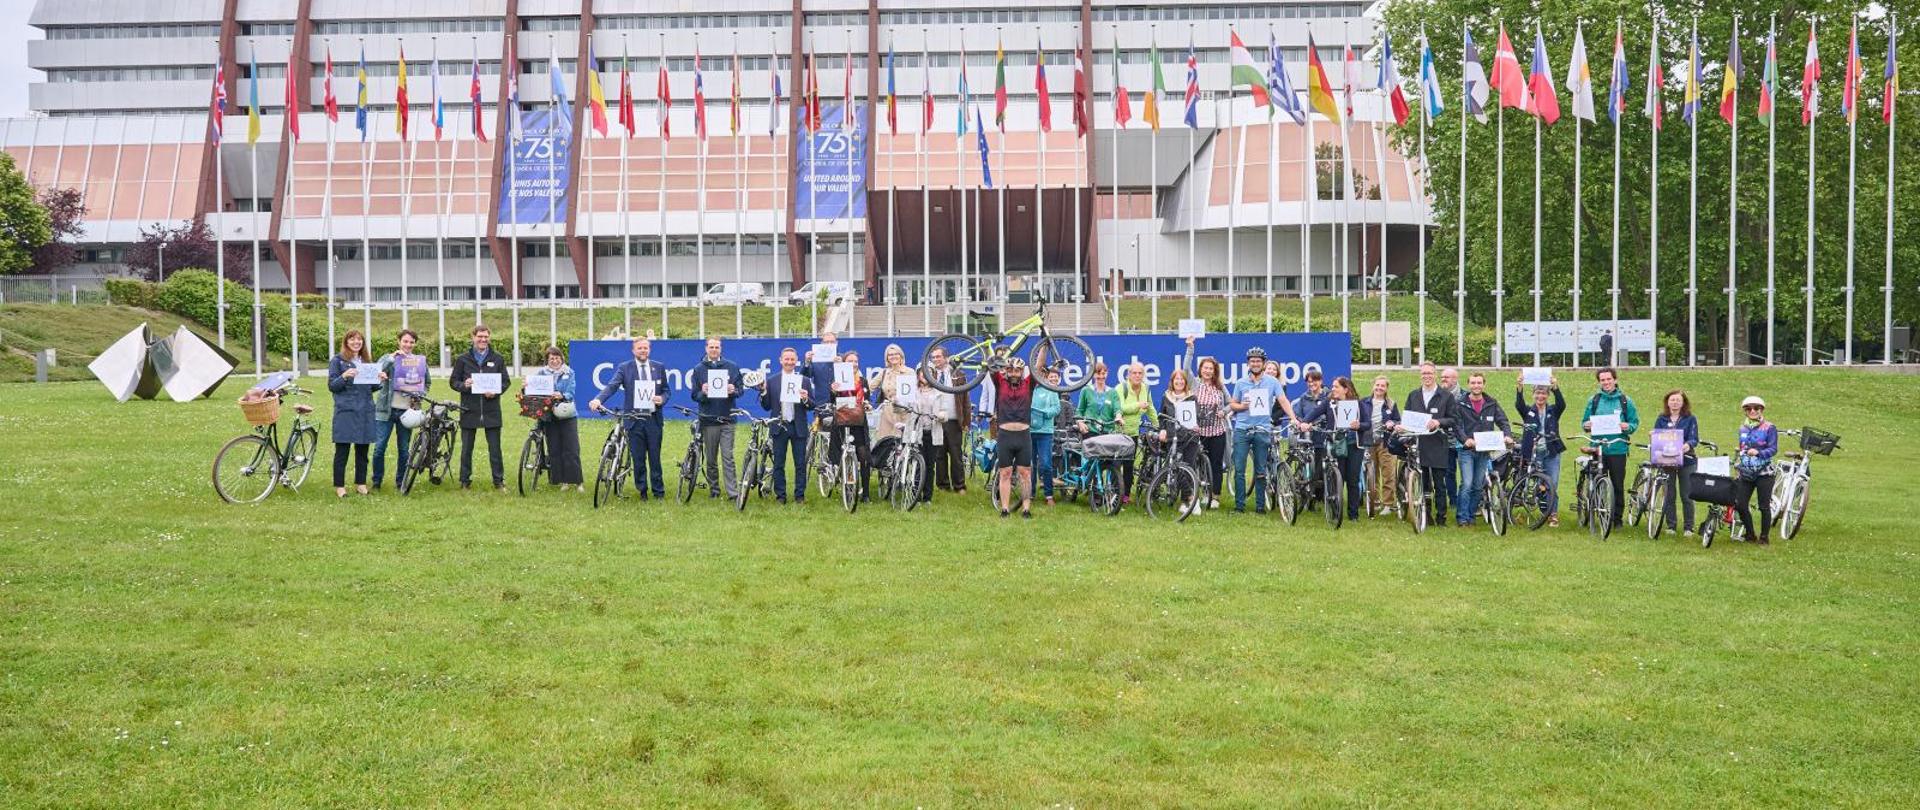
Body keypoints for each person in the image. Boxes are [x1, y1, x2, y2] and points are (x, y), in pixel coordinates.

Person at [589, 336, 668, 499]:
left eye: (645, 348)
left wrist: (662, 399)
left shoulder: (659, 367)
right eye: (640, 348)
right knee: (638, 459)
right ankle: (643, 490)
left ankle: (658, 492)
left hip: (653, 419)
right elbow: (612, 386)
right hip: (633, 420)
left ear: (649, 349)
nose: (643, 350)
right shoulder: (625, 368)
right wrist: (598, 399)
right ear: (634, 350)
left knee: (655, 457)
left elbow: (666, 390)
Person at [449, 324, 507, 491]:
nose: (483, 340)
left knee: (495, 449)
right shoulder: (463, 359)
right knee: (467, 448)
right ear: (473, 337)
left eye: (486, 337)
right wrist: (464, 385)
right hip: (469, 409)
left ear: (489, 338)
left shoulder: (498, 358)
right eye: (480, 336)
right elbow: (453, 382)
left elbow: (505, 382)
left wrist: (495, 392)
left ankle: (498, 481)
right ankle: (465, 481)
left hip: (491, 410)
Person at [1450, 372, 1512, 527]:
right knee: (1467, 484)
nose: (1476, 386)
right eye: (1473, 383)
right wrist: (1466, 440)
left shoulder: (1491, 403)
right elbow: (1456, 426)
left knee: (1478, 485)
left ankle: (1471, 516)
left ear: (1484, 384)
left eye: (1479, 383)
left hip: (1484, 451)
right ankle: (1462, 518)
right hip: (1467, 451)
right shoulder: (1460, 403)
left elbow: (1503, 421)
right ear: (1469, 385)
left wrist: (1507, 435)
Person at [370, 328, 429, 490]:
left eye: (411, 342)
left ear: (415, 344)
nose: (408, 344)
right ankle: (376, 481)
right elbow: (377, 371)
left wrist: (420, 393)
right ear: (399, 341)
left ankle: (400, 481)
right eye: (405, 341)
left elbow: (426, 382)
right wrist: (392, 358)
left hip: (407, 411)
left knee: (404, 450)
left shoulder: (419, 361)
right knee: (379, 448)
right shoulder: (389, 358)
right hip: (385, 410)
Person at [1580, 367, 1638, 528]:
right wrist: (1587, 425)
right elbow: (1584, 422)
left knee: (1617, 485)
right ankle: (1599, 512)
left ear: (1615, 380)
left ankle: (1617, 519)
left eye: (1608, 379)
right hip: (1597, 449)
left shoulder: (1626, 401)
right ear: (1599, 382)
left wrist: (1628, 426)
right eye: (1602, 380)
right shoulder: (1594, 400)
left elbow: (1634, 423)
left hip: (1618, 449)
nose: (1606, 382)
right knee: (1597, 481)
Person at [1227, 348, 1284, 513]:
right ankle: (1239, 506)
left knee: (1260, 470)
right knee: (1239, 469)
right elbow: (1233, 404)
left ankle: (1260, 506)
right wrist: (1242, 406)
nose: (1255, 363)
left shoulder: (1273, 382)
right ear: (1248, 363)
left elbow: (1283, 400)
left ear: (1264, 363)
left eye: (1258, 361)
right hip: (1242, 430)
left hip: (1262, 429)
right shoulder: (1240, 383)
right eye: (1252, 361)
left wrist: (1294, 418)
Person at [688, 336, 745, 499]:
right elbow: (694, 395)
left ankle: (733, 492)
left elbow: (741, 390)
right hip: (708, 419)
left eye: (717, 347)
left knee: (728, 457)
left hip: (727, 418)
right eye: (711, 347)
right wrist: (703, 393)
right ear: (706, 348)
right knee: (711, 458)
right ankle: (714, 489)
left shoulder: (732, 367)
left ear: (721, 349)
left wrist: (734, 389)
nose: (714, 350)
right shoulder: (699, 369)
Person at [327, 329, 382, 497]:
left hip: (365, 410)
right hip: (346, 411)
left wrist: (380, 379)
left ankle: (361, 484)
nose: (356, 342)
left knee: (362, 451)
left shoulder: (366, 361)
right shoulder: (337, 361)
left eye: (359, 340)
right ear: (346, 342)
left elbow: (371, 387)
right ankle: (340, 486)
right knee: (342, 450)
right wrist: (344, 376)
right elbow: (332, 386)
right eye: (352, 339)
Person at [756, 347, 815, 503]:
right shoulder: (772, 381)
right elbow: (767, 406)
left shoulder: (805, 381)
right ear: (781, 360)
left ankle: (799, 495)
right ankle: (780, 495)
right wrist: (762, 392)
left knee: (800, 464)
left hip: (798, 426)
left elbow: (812, 405)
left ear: (796, 361)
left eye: (792, 359)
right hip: (779, 426)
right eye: (786, 359)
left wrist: (805, 399)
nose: (789, 362)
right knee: (778, 463)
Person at [1403, 361, 1457, 525]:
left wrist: (1438, 422)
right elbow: (1407, 417)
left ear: (1435, 375)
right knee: (1423, 483)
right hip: (1420, 445)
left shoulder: (1446, 396)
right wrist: (1401, 426)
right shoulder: (1414, 395)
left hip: (1438, 444)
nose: (1426, 376)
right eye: (1424, 374)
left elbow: (1453, 419)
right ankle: (1426, 516)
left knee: (1439, 484)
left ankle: (1441, 517)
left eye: (1429, 373)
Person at [1512, 373, 1567, 526]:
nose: (1540, 396)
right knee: (1535, 481)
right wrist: (1520, 387)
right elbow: (1519, 405)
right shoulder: (1528, 411)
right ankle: (1540, 504)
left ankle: (1552, 513)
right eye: (1537, 393)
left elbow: (1562, 404)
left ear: (1547, 395)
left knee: (1552, 483)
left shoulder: (1553, 410)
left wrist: (1555, 387)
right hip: (1533, 451)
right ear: (1533, 394)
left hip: (1551, 451)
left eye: (1543, 393)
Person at [528, 346, 583, 490]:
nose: (554, 361)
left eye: (557, 357)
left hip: (566, 413)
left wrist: (562, 395)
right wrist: (526, 387)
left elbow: (571, 391)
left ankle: (577, 481)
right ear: (547, 360)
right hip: (548, 414)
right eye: (551, 358)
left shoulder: (569, 372)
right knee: (554, 448)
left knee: (571, 448)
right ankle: (560, 480)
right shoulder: (541, 373)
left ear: (561, 358)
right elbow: (533, 390)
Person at [990, 358, 1037, 518]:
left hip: (1023, 435)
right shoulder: (1000, 383)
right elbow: (993, 366)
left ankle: (1026, 509)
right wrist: (991, 351)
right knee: (1005, 473)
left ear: (1022, 372)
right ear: (1007, 371)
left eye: (1017, 371)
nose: (1014, 373)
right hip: (1005, 435)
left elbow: (1038, 366)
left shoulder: (1028, 384)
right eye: (1011, 370)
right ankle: (1005, 509)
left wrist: (1044, 343)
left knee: (1025, 473)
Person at [1651, 389, 1701, 535]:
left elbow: (1694, 438)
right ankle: (1671, 525)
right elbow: (1657, 435)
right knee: (1669, 494)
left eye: (1678, 400)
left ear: (1683, 402)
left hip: (1686, 460)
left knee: (1687, 495)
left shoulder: (1690, 418)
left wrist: (1688, 445)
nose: (1675, 402)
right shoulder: (1662, 418)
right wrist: (1653, 435)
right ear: (1667, 402)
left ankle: (1688, 527)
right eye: (1672, 400)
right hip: (1666, 460)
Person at [825, 349, 872, 500]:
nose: (854, 364)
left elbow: (867, 398)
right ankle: (847, 486)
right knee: (843, 456)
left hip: (858, 423)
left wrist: (867, 404)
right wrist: (833, 391)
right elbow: (832, 400)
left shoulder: (863, 381)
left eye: (856, 361)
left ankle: (865, 493)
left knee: (863, 456)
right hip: (842, 422)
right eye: (850, 361)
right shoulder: (838, 380)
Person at [923, 345, 970, 494]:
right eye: (933, 357)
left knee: (956, 455)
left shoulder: (958, 374)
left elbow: (965, 399)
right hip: (936, 420)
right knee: (939, 454)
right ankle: (942, 485)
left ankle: (959, 486)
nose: (935, 359)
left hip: (953, 419)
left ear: (946, 358)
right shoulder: (929, 375)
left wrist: (966, 421)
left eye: (938, 356)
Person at [1733, 396, 1779, 544]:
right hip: (1746, 471)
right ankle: (1750, 533)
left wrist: (1759, 452)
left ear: (1761, 410)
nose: (1752, 411)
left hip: (1764, 473)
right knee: (1740, 503)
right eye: (1749, 409)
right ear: (1745, 411)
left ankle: (1764, 537)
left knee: (1764, 506)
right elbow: (1742, 448)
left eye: (1756, 408)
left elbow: (1773, 449)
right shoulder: (1742, 428)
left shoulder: (1770, 427)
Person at [1191, 350, 1231, 508]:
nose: (1207, 371)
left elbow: (1231, 403)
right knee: (1201, 464)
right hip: (1199, 432)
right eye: (1205, 368)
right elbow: (1186, 367)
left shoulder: (1220, 387)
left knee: (1216, 464)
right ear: (1200, 370)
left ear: (1214, 372)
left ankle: (1215, 496)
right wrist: (1190, 348)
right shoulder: (1194, 384)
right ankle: (1205, 493)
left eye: (1210, 369)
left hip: (1217, 432)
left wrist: (1225, 411)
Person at [1115, 361, 1158, 501]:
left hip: (1133, 433)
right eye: (1134, 373)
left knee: (1128, 465)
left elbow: (1150, 408)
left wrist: (1157, 425)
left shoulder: (1146, 389)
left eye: (1140, 373)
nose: (1137, 376)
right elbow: (1121, 408)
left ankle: (1125, 496)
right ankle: (1114, 493)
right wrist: (1138, 405)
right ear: (1129, 375)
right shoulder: (1121, 388)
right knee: (1116, 465)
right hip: (1118, 433)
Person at [1327, 376, 1367, 522]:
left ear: (1346, 389)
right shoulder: (1330, 403)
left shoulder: (1359, 404)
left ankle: (1353, 514)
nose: (1333, 389)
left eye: (1336, 386)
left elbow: (1367, 423)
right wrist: (1304, 422)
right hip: (1338, 445)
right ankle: (1336, 511)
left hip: (1354, 445)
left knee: (1353, 479)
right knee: (1338, 478)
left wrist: (1359, 425)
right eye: (1332, 386)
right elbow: (1315, 413)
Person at [1362, 375, 1401, 517]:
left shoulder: (1391, 404)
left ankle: (1388, 504)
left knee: (1388, 473)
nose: (1379, 388)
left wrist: (1393, 423)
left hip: (1385, 442)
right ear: (1373, 386)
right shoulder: (1364, 402)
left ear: (1386, 389)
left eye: (1382, 386)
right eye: (1377, 385)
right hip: (1368, 441)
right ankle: (1374, 501)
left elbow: (1398, 420)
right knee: (1371, 473)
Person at [1030, 369, 1063, 506]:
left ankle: (1049, 495)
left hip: (1045, 432)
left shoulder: (1052, 391)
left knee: (1046, 464)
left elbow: (1056, 408)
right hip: (1029, 431)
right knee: (1030, 465)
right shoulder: (1032, 389)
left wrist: (1044, 414)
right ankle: (1029, 494)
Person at [1075, 361, 1120, 434]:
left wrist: (1118, 417)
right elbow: (1079, 411)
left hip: (1108, 433)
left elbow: (1117, 409)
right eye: (1098, 374)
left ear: (1107, 374)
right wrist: (1080, 423)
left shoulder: (1113, 392)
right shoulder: (1086, 390)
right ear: (1093, 375)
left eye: (1103, 373)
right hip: (1089, 432)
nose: (1101, 376)